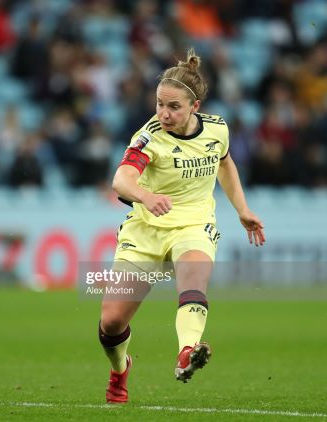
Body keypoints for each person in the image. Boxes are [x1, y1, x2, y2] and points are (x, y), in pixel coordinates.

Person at [99, 49, 266, 404]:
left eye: (173, 106)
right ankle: (120, 368)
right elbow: (121, 180)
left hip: (194, 223)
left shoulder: (217, 129)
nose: (164, 113)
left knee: (193, 279)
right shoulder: (150, 136)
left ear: (195, 106)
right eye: (160, 104)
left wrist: (242, 209)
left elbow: (224, 164)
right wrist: (145, 196)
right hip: (146, 230)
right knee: (111, 322)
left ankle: (187, 352)